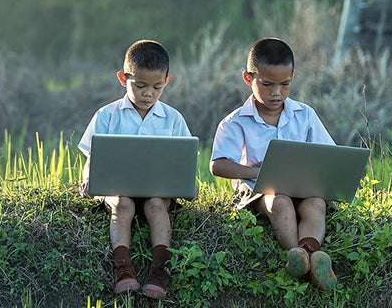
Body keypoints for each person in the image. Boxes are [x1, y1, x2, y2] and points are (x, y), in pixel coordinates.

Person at [209, 37, 338, 291]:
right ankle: (304, 257)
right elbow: (219, 165)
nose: (276, 93)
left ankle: (304, 254)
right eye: (267, 85)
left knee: (316, 203)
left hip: (300, 184)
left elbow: (328, 154)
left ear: (293, 77)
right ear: (249, 79)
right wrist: (256, 172)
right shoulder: (236, 122)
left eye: (285, 84)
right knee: (279, 201)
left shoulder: (304, 115)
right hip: (259, 187)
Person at [78, 39, 191, 300]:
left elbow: (182, 159)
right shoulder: (107, 115)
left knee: (156, 205)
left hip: (157, 188)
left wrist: (188, 184)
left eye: (156, 87)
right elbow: (92, 156)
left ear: (167, 80)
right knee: (123, 204)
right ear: (123, 78)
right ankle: (122, 267)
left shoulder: (173, 119)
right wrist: (87, 180)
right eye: (139, 86)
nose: (148, 94)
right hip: (118, 185)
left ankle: (160, 268)